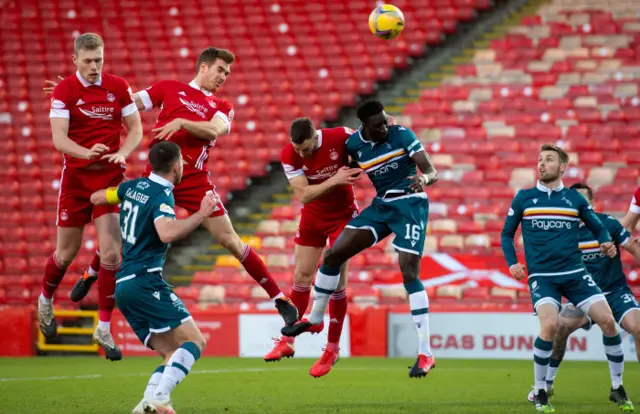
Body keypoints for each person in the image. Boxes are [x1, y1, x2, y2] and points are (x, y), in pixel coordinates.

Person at [62, 47, 299, 325]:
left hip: (195, 178)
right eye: (220, 70)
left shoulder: (223, 107)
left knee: (230, 240)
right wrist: (78, 96)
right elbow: (126, 103)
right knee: (130, 233)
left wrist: (182, 121)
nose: (224, 76)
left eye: (228, 73)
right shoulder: (169, 88)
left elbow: (213, 131)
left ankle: (279, 299)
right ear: (204, 67)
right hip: (158, 177)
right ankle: (91, 272)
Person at [281, 100, 438, 379]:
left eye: (385, 121)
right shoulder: (354, 145)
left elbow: (430, 170)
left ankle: (425, 353)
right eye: (378, 125)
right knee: (332, 256)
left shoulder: (402, 135)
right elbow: (339, 164)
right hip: (382, 207)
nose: (384, 128)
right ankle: (315, 318)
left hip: (411, 205)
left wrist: (424, 179)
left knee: (409, 273)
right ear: (365, 126)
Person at [39, 33, 143, 361]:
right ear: (75, 61)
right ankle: (44, 301)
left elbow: (136, 128)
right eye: (88, 60)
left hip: (109, 180)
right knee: (64, 254)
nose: (95, 66)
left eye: (99, 59)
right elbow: (59, 139)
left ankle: (103, 328)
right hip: (76, 183)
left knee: (113, 253)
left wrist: (122, 152)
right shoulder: (64, 90)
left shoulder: (118, 86)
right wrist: (87, 152)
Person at [501, 144, 627, 413]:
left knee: (608, 322)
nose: (542, 164)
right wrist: (512, 263)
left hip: (575, 275)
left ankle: (617, 387)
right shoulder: (524, 197)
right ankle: (541, 391)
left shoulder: (575, 200)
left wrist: (605, 242)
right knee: (549, 327)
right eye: (539, 159)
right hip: (543, 277)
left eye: (548, 159)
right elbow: (506, 234)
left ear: (562, 167)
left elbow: (599, 227)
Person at [91, 141, 214, 414]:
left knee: (171, 354)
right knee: (195, 342)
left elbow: (98, 197)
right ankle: (161, 398)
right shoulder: (162, 195)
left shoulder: (131, 187)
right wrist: (201, 214)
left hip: (122, 286)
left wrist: (112, 199)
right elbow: (167, 233)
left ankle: (146, 404)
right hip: (146, 280)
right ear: (176, 166)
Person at [525, 183, 636, 411]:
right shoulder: (562, 233)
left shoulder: (608, 224)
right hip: (583, 294)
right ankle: (548, 384)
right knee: (559, 328)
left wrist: (619, 247)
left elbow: (632, 248)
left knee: (637, 326)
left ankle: (618, 386)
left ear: (591, 205)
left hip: (615, 291)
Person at [266, 118, 361, 377]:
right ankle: (288, 341)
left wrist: (388, 125)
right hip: (313, 216)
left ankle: (332, 349)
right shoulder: (289, 154)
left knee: (338, 281)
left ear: (315, 137)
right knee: (301, 275)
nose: (301, 154)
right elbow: (304, 195)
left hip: (343, 216)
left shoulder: (341, 136)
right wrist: (336, 178)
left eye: (305, 149)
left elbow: (370, 140)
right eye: (297, 149)